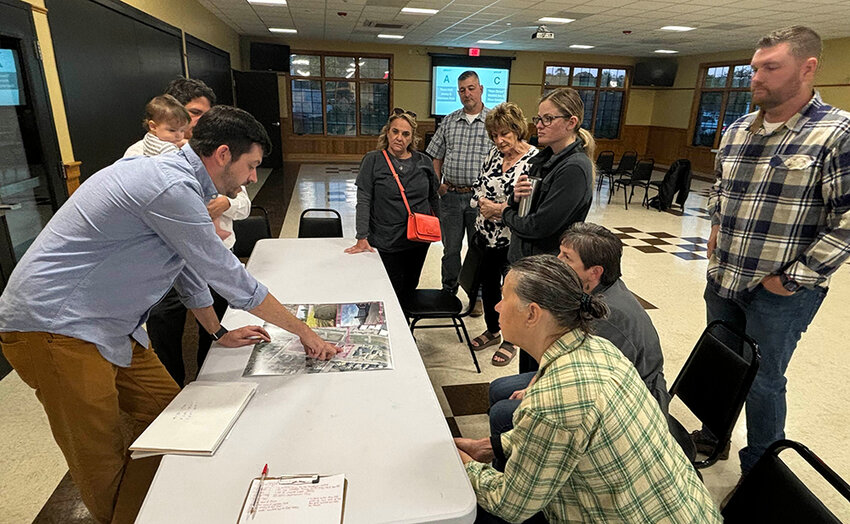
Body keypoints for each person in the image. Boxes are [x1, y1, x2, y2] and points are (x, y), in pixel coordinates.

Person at [0, 106, 338, 524]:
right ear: (222, 154)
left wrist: (216, 331)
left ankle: (163, 506)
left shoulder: (183, 185)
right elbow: (229, 276)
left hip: (110, 325)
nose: (253, 178)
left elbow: (187, 265)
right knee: (99, 454)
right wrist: (304, 331)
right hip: (56, 327)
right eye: (250, 166)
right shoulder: (168, 187)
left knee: (173, 417)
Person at [454, 255, 720, 524]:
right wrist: (491, 446)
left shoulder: (553, 402)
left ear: (532, 313)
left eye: (503, 297)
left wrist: (465, 464)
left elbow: (509, 504)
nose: (497, 307)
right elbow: (561, 437)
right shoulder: (600, 347)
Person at [698, 26, 850, 476]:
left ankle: (760, 471)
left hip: (780, 292)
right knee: (721, 364)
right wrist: (715, 229)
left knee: (763, 382)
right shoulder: (738, 130)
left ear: (808, 68)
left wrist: (792, 278)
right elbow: (720, 191)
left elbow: (847, 222)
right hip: (723, 278)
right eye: (754, 68)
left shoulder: (836, 134)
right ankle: (713, 435)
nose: (756, 77)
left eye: (770, 67)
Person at [488, 222, 671, 443]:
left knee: (502, 413)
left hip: (629, 405)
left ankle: (509, 459)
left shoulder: (609, 318)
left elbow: (584, 380)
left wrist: (533, 391)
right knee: (499, 388)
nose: (558, 261)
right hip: (592, 380)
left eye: (567, 257)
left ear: (594, 272)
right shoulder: (594, 291)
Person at [479, 87, 594, 373]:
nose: (539, 126)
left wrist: (504, 211)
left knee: (539, 354)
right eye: (538, 119)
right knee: (530, 353)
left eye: (547, 119)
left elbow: (538, 226)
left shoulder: (574, 168)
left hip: (546, 269)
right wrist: (517, 198)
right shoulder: (546, 160)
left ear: (571, 122)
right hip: (528, 263)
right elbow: (528, 209)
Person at [468, 102, 538, 367]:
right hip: (485, 234)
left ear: (517, 130)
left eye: (504, 134)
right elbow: (478, 186)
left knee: (513, 292)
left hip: (513, 239)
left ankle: (511, 340)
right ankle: (492, 329)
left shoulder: (533, 160)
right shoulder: (492, 155)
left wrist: (499, 209)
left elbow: (529, 202)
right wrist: (481, 204)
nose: (499, 140)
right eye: (495, 135)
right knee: (487, 285)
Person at [345, 108, 439, 304]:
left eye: (406, 134)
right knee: (389, 289)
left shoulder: (424, 162)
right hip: (386, 240)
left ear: (412, 138)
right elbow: (363, 199)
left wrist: (438, 228)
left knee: (409, 287)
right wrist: (362, 236)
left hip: (418, 240)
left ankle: (405, 329)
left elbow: (433, 197)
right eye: (395, 131)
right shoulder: (373, 160)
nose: (399, 138)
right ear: (387, 132)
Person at [426, 71, 492, 299]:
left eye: (471, 88)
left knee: (479, 250)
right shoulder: (449, 121)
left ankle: (478, 296)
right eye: (462, 90)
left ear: (481, 89)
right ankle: (448, 291)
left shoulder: (493, 122)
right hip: (451, 197)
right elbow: (435, 155)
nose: (467, 94)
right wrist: (438, 185)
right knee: (451, 249)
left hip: (481, 200)